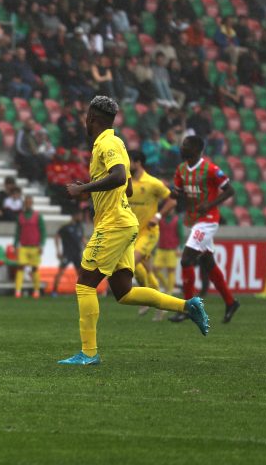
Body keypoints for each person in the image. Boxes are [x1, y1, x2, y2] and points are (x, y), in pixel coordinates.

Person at [60, 96, 209, 365]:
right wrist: (95, 188)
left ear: (91, 118)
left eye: (86, 116)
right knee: (124, 292)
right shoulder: (114, 144)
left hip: (114, 224)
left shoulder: (107, 142)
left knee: (85, 285)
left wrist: (83, 189)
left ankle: (89, 353)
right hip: (123, 221)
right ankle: (187, 306)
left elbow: (118, 177)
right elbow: (127, 186)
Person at [169, 135, 239, 324]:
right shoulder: (181, 169)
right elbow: (179, 194)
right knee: (208, 263)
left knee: (186, 260)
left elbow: (230, 190)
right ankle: (231, 302)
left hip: (208, 220)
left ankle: (189, 308)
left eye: (185, 145)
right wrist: (174, 194)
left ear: (196, 150)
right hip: (193, 220)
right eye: (182, 144)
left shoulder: (210, 169)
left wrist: (209, 205)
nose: (182, 147)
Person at [127, 150, 177, 317]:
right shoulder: (126, 182)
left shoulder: (153, 183)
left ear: (138, 162)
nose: (126, 164)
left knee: (131, 262)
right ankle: (157, 301)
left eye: (129, 161)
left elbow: (172, 199)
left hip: (148, 232)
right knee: (145, 269)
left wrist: (158, 216)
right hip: (130, 234)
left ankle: (146, 298)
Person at [13, 195, 46, 299]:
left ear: (31, 203)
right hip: (23, 246)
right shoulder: (20, 216)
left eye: (29, 202)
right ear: (24, 203)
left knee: (34, 268)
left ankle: (36, 290)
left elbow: (43, 231)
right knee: (20, 267)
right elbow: (17, 232)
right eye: (26, 202)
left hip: (35, 247)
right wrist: (15, 244)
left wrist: (42, 244)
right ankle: (18, 290)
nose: (28, 204)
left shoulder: (37, 216)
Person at [52, 209, 86, 297]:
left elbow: (83, 239)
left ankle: (81, 292)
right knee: (61, 272)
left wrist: (88, 249)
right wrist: (58, 251)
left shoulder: (80, 227)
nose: (81, 217)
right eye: (79, 215)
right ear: (74, 216)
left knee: (80, 274)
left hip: (77, 254)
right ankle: (54, 291)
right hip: (67, 254)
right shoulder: (65, 227)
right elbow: (56, 237)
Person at [153, 212, 182, 303]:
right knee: (155, 269)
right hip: (161, 249)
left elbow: (181, 235)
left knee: (171, 270)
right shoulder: (160, 219)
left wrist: (180, 247)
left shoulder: (177, 220)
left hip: (172, 249)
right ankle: (166, 285)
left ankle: (169, 292)